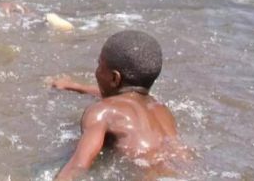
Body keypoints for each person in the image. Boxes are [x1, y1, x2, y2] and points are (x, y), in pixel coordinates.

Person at [50, 31, 185, 180]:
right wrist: (74, 86)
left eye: (99, 65)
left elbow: (78, 166)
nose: (97, 71)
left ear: (115, 78)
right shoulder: (162, 109)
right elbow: (122, 97)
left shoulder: (102, 111)